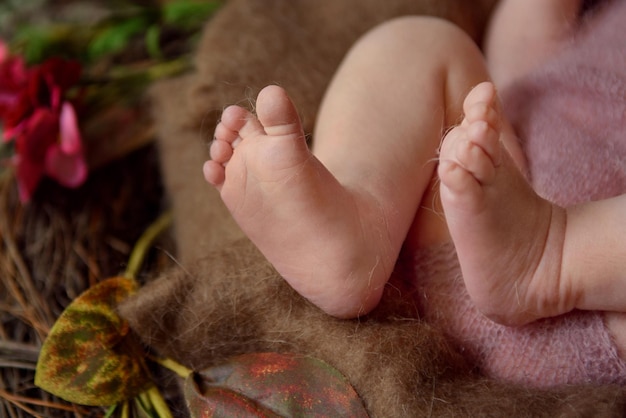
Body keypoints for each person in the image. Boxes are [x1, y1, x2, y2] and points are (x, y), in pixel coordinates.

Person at [203, 0, 626, 352]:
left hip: (588, 299)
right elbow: (520, 66)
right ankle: (353, 224)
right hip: (480, 199)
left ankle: (555, 257)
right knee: (418, 42)